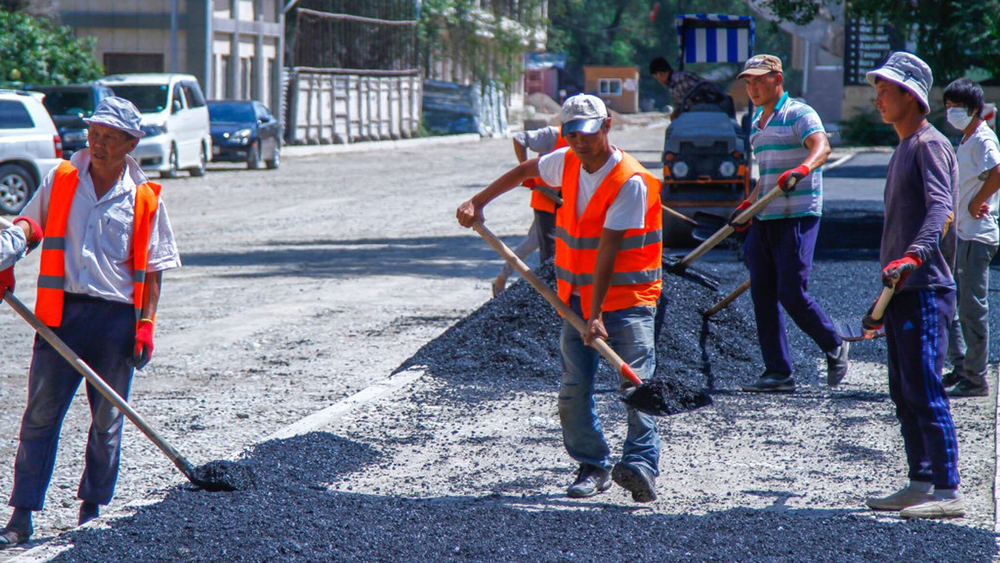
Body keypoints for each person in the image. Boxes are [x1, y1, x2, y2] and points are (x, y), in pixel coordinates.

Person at [457, 95, 663, 503]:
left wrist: (596, 315)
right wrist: (478, 202)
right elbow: (525, 170)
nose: (580, 142)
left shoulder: (630, 181)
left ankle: (640, 465)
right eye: (572, 135)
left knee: (636, 385)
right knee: (572, 390)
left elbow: (607, 250)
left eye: (587, 133)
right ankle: (593, 465)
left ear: (606, 127)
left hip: (628, 299)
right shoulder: (566, 161)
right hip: (575, 299)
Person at [0, 96, 181, 546]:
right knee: (40, 417)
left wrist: (146, 325)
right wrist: (9, 252)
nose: (97, 143)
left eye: (109, 137)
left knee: (107, 423)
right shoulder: (62, 178)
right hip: (60, 317)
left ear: (131, 143)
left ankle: (92, 510)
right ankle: (21, 516)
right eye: (93, 133)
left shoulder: (143, 198)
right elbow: (31, 224)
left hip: (115, 323)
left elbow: (153, 270)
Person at [862, 52, 964, 519]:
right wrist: (881, 300)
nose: (878, 98)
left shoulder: (929, 145)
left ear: (911, 96)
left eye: (886, 90)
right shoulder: (903, 148)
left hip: (926, 287)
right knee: (903, 391)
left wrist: (914, 255)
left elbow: (941, 208)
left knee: (924, 386)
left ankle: (948, 491)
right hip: (902, 289)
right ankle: (920, 480)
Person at [733, 54, 848, 393]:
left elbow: (822, 148)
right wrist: (749, 205)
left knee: (791, 291)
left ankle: (834, 343)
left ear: (778, 79)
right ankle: (778, 372)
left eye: (759, 80)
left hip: (797, 215)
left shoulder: (799, 113)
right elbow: (767, 176)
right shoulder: (757, 123)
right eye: (748, 82)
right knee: (763, 294)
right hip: (765, 217)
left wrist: (801, 169)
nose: (753, 87)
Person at [941, 78, 1000, 398]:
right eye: (948, 106)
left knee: (971, 309)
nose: (951, 112)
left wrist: (978, 201)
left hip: (977, 236)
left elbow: (998, 171)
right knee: (951, 303)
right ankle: (962, 366)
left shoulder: (982, 139)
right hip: (962, 232)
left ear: (975, 109)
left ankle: (976, 379)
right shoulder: (967, 139)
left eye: (957, 107)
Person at [492, 126, 567, 295]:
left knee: (532, 242)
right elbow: (519, 138)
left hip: (567, 201)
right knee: (550, 254)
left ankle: (501, 279)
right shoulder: (553, 135)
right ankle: (550, 294)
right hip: (547, 201)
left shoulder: (591, 140)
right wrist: (526, 173)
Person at [649, 57, 717, 119]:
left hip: (708, 115)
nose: (659, 81)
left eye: (657, 78)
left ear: (659, 74)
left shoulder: (684, 78)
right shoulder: (672, 88)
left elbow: (706, 92)